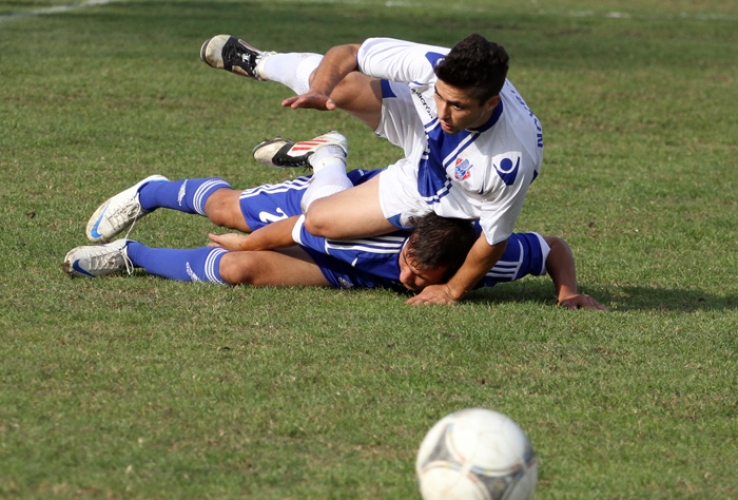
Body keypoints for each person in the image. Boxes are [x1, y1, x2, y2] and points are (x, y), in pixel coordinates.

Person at [200, 33, 544, 306]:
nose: (444, 112)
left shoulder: (508, 163)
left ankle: (327, 158)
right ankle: (263, 62)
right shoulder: (430, 66)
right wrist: (319, 90)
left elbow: (494, 239)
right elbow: (348, 51)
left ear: (491, 103)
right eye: (440, 96)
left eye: (458, 105)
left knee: (320, 221)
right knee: (342, 85)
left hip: (438, 187)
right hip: (418, 128)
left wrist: (452, 291)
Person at [63, 172, 605, 310]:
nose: (409, 279)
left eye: (423, 280)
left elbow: (552, 246)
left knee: (235, 276)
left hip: (346, 265)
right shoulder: (375, 241)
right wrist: (245, 242)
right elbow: (299, 231)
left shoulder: (494, 258)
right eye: (411, 266)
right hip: (331, 210)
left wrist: (566, 292)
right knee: (237, 216)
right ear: (410, 240)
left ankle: (130, 257)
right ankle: (155, 190)